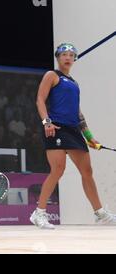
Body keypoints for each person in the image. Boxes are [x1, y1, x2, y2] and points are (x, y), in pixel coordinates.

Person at [30, 43, 116, 229]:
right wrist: (47, 122)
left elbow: (78, 113)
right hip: (56, 128)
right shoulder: (52, 76)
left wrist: (89, 136)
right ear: (58, 57)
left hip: (74, 131)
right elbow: (40, 99)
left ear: (75, 59)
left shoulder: (74, 83)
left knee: (87, 172)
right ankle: (39, 213)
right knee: (58, 170)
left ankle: (100, 213)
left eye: (71, 55)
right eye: (63, 54)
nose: (67, 57)